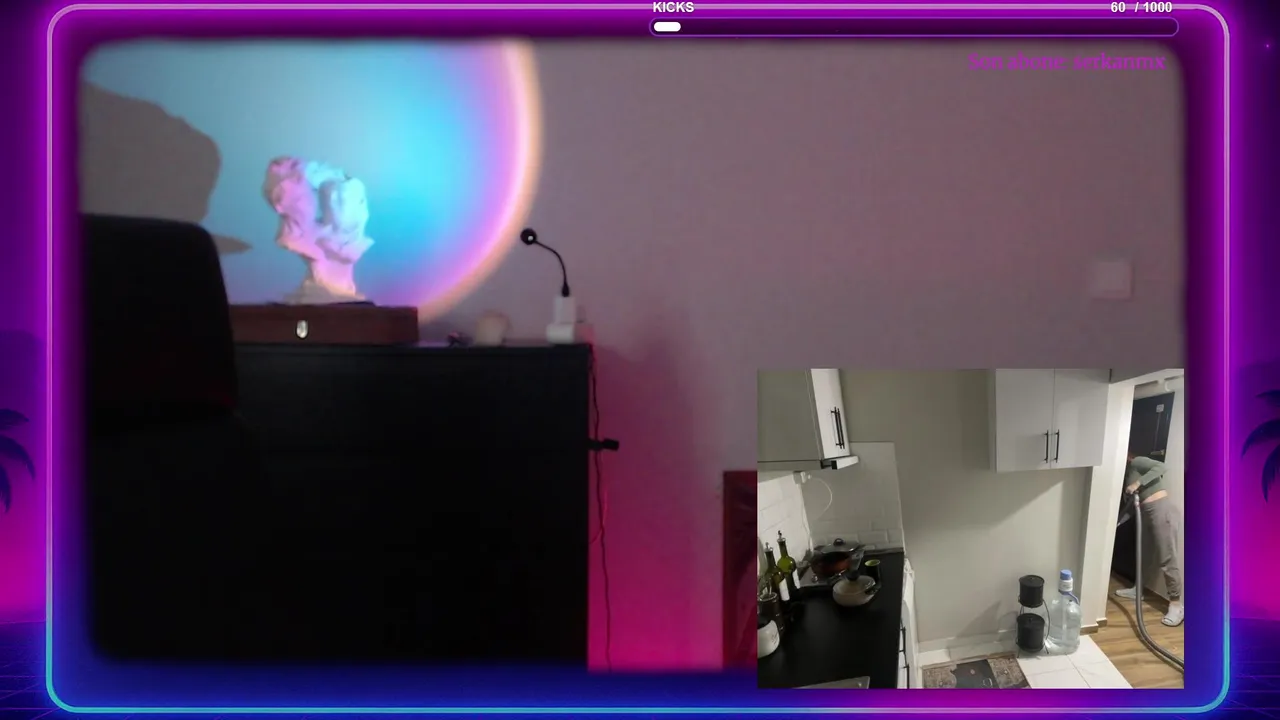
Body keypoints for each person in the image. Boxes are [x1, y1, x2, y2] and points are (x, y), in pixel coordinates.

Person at [1115, 453, 1183, 627]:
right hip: (1145, 513)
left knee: (1166, 557)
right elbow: (1131, 507)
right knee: (1143, 553)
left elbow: (1161, 467)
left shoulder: (1137, 462)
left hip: (1160, 510)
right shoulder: (1124, 476)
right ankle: (1138, 590)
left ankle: (1176, 605)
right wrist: (1117, 524)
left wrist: (1138, 483)